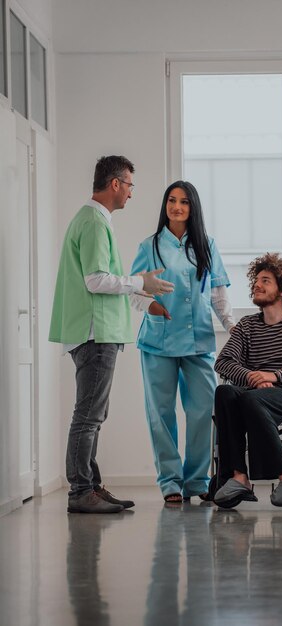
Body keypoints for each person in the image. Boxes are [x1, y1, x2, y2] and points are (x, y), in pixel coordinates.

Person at [49, 155, 174, 514]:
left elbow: (106, 279)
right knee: (88, 415)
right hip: (94, 333)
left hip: (97, 331)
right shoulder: (92, 221)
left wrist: (143, 299)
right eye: (130, 185)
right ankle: (80, 492)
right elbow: (96, 280)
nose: (132, 194)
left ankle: (90, 485)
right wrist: (141, 281)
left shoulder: (95, 220)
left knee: (94, 414)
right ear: (116, 184)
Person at [130, 181, 235, 503]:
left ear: (193, 207)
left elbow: (217, 294)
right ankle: (170, 483)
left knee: (203, 411)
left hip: (198, 340)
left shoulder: (207, 245)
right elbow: (135, 292)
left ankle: (197, 481)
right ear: (165, 205)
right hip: (158, 340)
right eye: (172, 201)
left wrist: (233, 327)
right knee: (160, 414)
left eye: (184, 202)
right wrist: (151, 306)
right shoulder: (149, 246)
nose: (177, 207)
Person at [213, 253, 282, 509]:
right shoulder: (247, 326)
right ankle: (239, 477)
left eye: (266, 281)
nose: (257, 285)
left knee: (251, 399)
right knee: (224, 392)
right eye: (256, 280)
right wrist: (254, 379)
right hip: (253, 394)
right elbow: (223, 362)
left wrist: (274, 376)